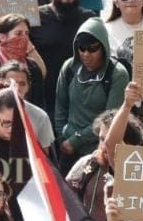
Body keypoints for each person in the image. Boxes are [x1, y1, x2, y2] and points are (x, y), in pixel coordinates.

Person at [54, 17, 128, 173]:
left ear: (104, 47)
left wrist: (76, 140)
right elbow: (60, 108)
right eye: (81, 48)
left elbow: (109, 119)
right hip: (67, 147)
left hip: (99, 150)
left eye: (93, 49)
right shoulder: (69, 68)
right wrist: (63, 138)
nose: (86, 54)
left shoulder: (117, 74)